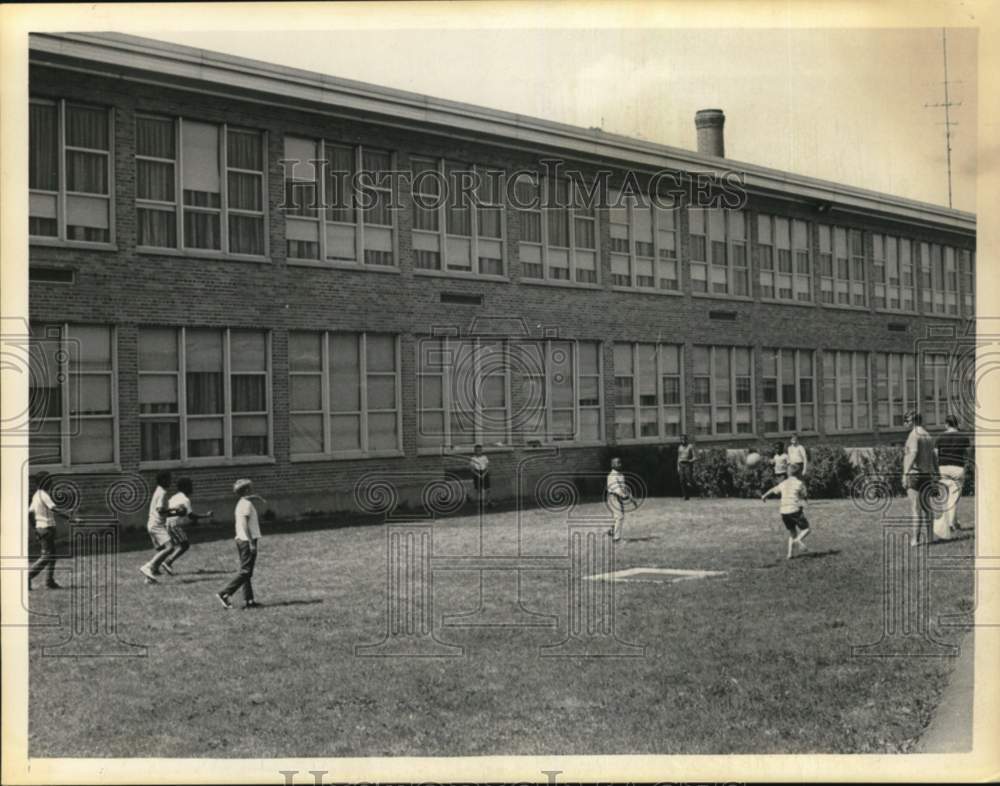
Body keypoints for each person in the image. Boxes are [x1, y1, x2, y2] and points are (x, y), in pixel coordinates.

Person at [217, 479, 262, 610]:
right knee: (246, 571)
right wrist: (251, 543)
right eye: (251, 488)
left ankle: (249, 600)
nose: (252, 489)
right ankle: (224, 593)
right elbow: (245, 525)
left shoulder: (241, 502)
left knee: (246, 571)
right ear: (247, 490)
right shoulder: (247, 505)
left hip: (240, 539)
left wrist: (254, 497)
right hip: (247, 540)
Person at [27, 472, 76, 591]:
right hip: (46, 529)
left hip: (42, 528)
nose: (51, 482)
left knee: (52, 556)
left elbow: (30, 513)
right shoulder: (44, 495)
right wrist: (72, 519)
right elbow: (55, 509)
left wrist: (36, 528)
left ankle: (50, 581)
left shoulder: (36, 495)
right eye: (49, 480)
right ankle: (27, 577)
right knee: (46, 556)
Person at [902, 410, 939, 546]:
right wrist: (936, 472)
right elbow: (934, 455)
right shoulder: (927, 435)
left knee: (915, 508)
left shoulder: (914, 435)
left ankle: (915, 540)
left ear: (912, 421)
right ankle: (930, 538)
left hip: (915, 474)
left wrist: (905, 473)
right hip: (927, 475)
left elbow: (913, 454)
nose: (905, 423)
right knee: (927, 507)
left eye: (906, 420)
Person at [161, 477, 211, 575]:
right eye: (190, 487)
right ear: (185, 488)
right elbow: (191, 516)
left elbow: (168, 511)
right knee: (184, 545)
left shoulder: (174, 497)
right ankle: (168, 562)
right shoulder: (185, 499)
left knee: (170, 547)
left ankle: (155, 566)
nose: (192, 489)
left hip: (168, 523)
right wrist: (206, 515)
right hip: (174, 524)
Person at [761, 463, 811, 560]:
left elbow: (772, 490)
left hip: (783, 512)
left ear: (788, 473)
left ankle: (789, 554)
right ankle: (798, 540)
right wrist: (805, 501)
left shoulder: (783, 483)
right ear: (799, 473)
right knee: (807, 529)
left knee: (792, 532)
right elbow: (804, 495)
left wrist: (764, 496)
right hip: (794, 510)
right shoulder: (799, 483)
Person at [933, 414, 970, 539]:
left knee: (947, 496)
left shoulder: (940, 437)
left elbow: (935, 454)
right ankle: (950, 524)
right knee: (954, 497)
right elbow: (967, 454)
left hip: (943, 467)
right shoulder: (963, 437)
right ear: (957, 424)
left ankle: (953, 522)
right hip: (957, 468)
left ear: (946, 424)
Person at [140, 471, 175, 583]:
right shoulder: (163, 492)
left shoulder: (158, 490)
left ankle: (151, 575)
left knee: (161, 550)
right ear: (163, 480)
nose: (170, 481)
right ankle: (149, 566)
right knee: (170, 547)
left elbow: (164, 512)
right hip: (157, 525)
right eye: (169, 479)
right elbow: (160, 510)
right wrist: (174, 510)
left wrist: (176, 512)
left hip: (152, 523)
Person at [606, 457, 633, 542]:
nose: (619, 464)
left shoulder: (621, 475)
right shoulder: (611, 476)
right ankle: (616, 538)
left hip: (619, 497)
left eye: (620, 462)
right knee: (619, 516)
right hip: (613, 497)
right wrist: (623, 495)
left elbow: (623, 487)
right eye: (617, 463)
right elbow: (616, 488)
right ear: (612, 465)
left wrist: (629, 495)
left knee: (618, 516)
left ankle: (612, 531)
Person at [676, 434, 697, 500]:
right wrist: (678, 466)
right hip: (681, 464)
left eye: (684, 439)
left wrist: (689, 461)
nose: (683, 441)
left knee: (688, 480)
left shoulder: (690, 446)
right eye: (682, 439)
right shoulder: (680, 447)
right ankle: (685, 496)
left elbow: (695, 457)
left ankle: (692, 492)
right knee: (682, 480)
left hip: (688, 464)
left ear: (686, 439)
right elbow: (678, 457)